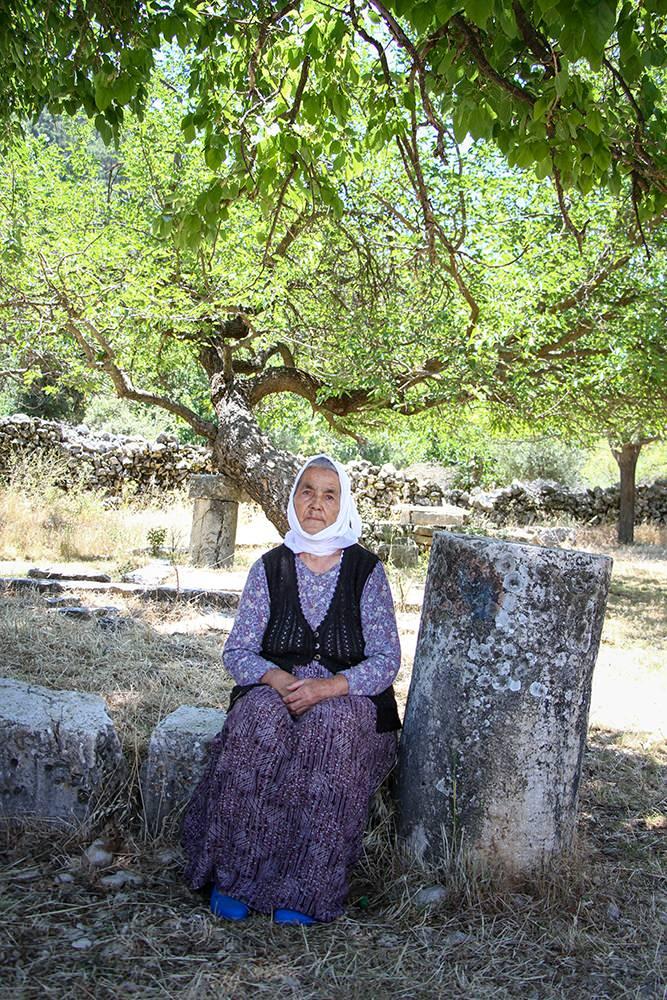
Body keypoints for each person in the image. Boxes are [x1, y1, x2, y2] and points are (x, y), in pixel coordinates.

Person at [182, 454, 402, 924]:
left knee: (331, 729)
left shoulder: (366, 571)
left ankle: (305, 890)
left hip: (346, 696)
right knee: (257, 719)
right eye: (307, 491)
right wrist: (276, 678)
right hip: (278, 686)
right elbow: (238, 651)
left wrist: (330, 687)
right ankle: (236, 877)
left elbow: (387, 660)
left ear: (342, 505)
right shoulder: (269, 568)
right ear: (293, 498)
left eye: (329, 495)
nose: (316, 503)